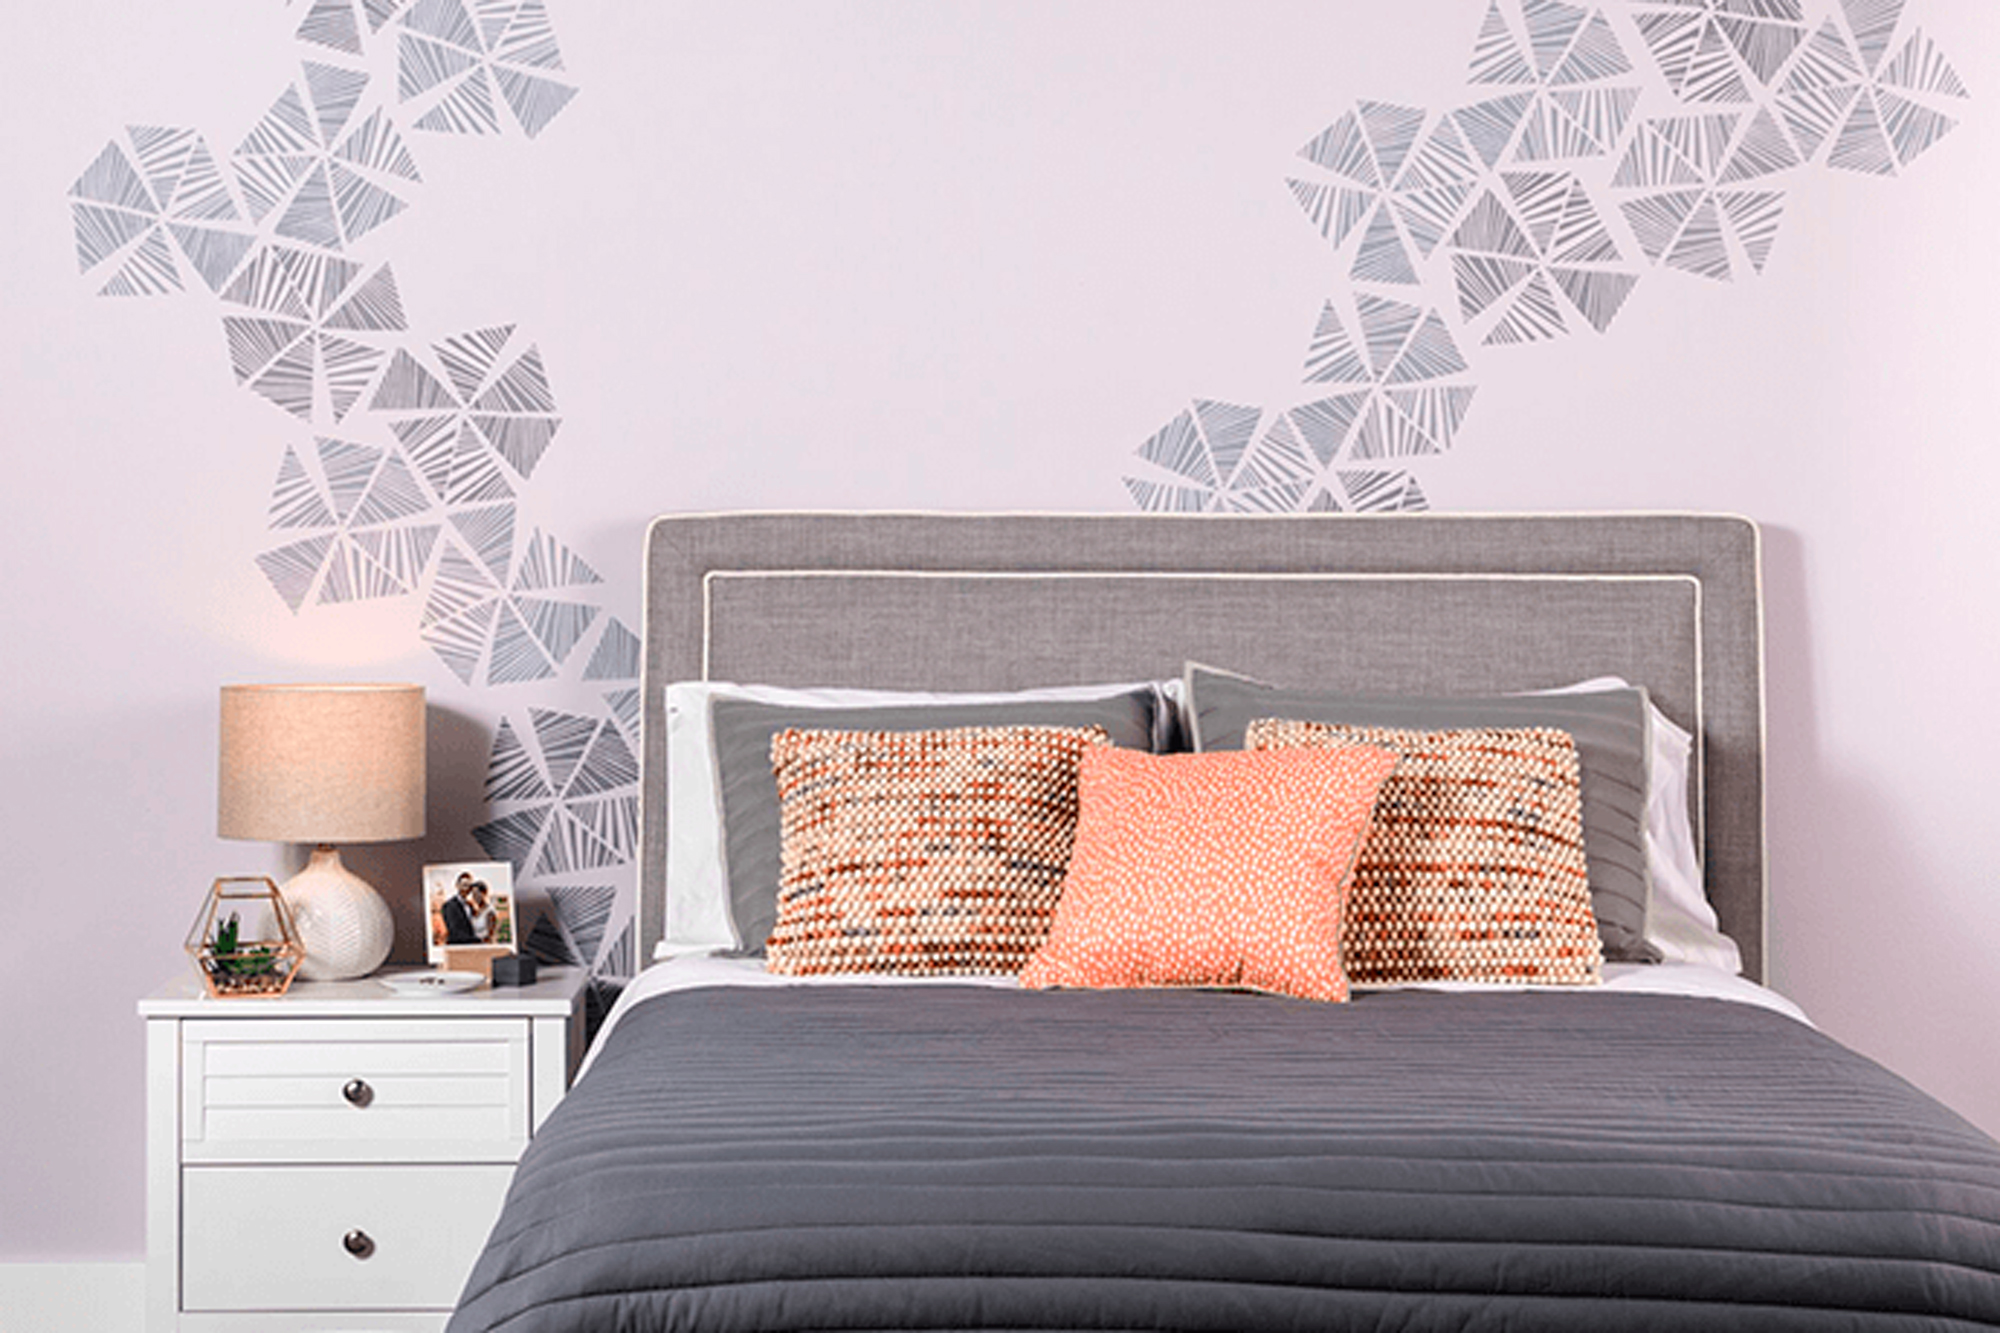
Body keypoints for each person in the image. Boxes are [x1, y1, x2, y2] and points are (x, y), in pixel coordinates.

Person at [440, 873, 480, 945]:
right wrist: (476, 940)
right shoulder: (449, 906)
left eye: (470, 886)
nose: (467, 889)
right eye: (464, 885)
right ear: (457, 886)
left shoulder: (471, 905)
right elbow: (455, 932)